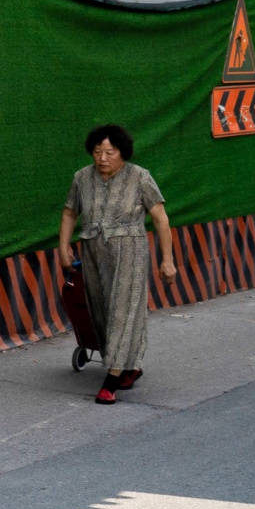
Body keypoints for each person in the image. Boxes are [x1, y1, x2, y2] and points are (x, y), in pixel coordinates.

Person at [57, 124, 175, 405]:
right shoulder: (82, 178)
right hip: (93, 252)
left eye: (110, 152)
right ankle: (129, 366)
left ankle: (110, 381)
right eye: (98, 152)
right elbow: (70, 212)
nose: (103, 158)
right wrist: (63, 247)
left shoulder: (140, 177)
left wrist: (167, 260)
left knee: (123, 310)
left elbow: (160, 218)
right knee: (101, 311)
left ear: (123, 153)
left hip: (129, 251)